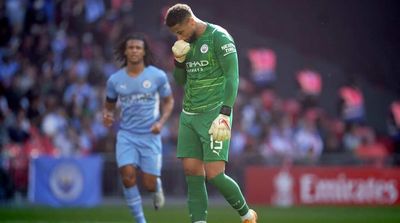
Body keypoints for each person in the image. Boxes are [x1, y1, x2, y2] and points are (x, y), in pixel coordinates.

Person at [165, 4, 257, 223]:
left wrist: (225, 113)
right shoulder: (184, 43)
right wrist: (178, 62)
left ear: (190, 21)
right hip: (189, 115)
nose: (179, 37)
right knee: (192, 173)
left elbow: (232, 77)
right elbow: (180, 82)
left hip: (214, 114)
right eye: (175, 34)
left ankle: (247, 215)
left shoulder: (219, 37)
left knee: (215, 174)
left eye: (180, 31)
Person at [103, 33, 174, 223]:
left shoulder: (158, 76)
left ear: (144, 52)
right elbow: (109, 104)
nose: (134, 50)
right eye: (131, 47)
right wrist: (108, 115)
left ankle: (156, 187)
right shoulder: (115, 80)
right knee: (127, 176)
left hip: (150, 135)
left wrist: (161, 122)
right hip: (126, 135)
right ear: (125, 51)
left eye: (138, 48)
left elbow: (169, 102)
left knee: (149, 183)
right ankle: (140, 220)